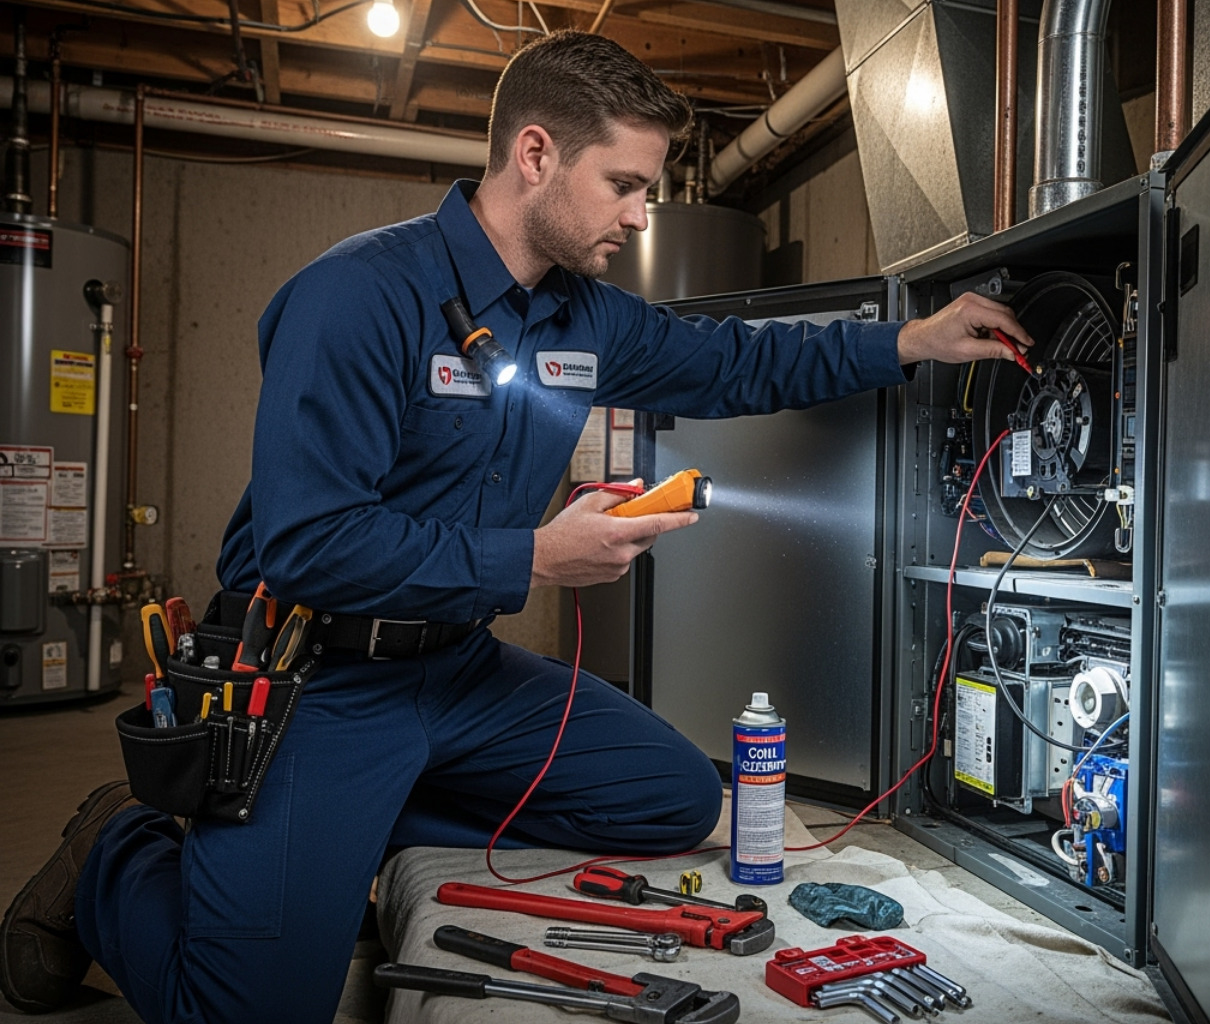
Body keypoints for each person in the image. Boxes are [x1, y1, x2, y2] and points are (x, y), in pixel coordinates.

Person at [0, 29, 1030, 1023]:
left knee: (672, 796)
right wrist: (536, 556)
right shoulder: (358, 296)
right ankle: (118, 850)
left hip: (457, 673)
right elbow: (307, 544)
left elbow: (731, 362)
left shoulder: (585, 313)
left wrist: (908, 340)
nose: (639, 214)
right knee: (249, 1007)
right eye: (623, 184)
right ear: (535, 154)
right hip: (316, 678)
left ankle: (340, 833)